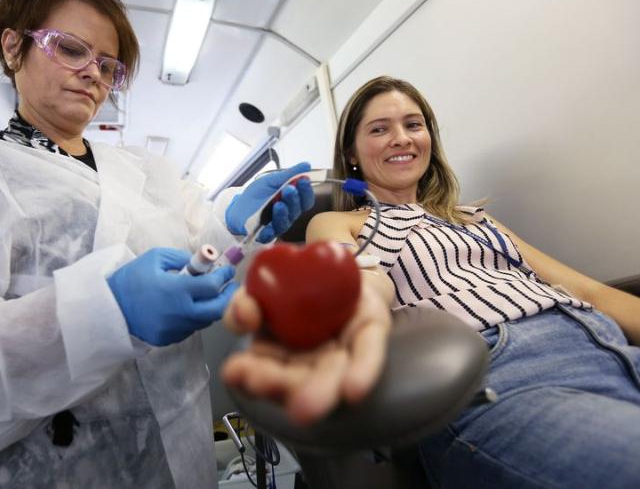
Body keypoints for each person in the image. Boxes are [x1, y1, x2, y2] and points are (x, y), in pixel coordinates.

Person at [0, 0, 315, 488]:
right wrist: (105, 312)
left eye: (108, 66)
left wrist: (236, 223)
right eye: (70, 49)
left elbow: (200, 250)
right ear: (13, 46)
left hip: (184, 455)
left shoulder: (146, 171)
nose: (93, 73)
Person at [222, 76, 640, 487]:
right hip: (503, 376)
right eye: (379, 129)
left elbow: (587, 291)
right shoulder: (339, 222)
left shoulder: (474, 217)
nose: (401, 138)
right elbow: (362, 284)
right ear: (352, 154)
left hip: (604, 341)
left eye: (413, 124)